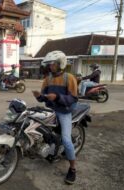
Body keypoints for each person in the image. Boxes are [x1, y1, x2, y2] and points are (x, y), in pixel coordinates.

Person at [32, 50, 78, 185]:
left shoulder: (69, 78)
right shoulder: (48, 79)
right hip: (50, 110)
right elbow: (44, 97)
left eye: (53, 64)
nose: (50, 67)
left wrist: (57, 97)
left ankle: (73, 169)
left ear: (60, 64)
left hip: (64, 112)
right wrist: (39, 96)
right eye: (49, 64)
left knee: (66, 140)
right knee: (38, 128)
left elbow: (73, 98)